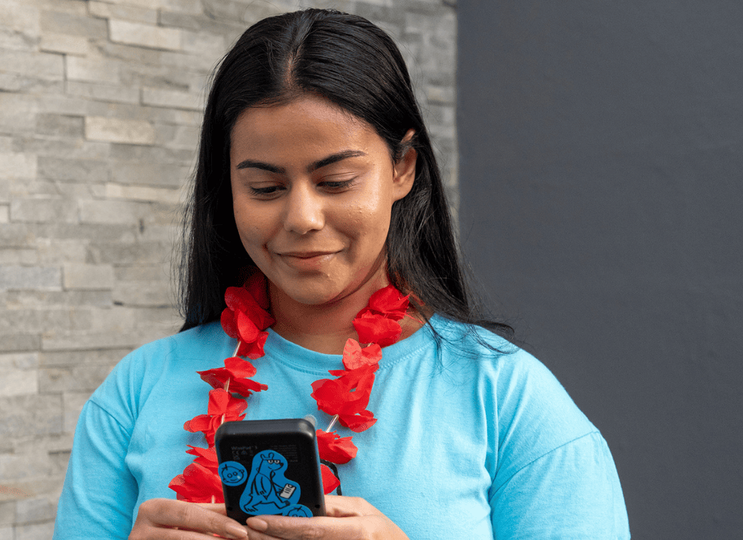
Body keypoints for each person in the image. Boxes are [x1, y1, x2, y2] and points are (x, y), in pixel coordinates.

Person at [55, 8, 629, 539]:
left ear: (403, 168)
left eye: (335, 182)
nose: (302, 218)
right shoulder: (135, 393)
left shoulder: (507, 401)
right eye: (265, 188)